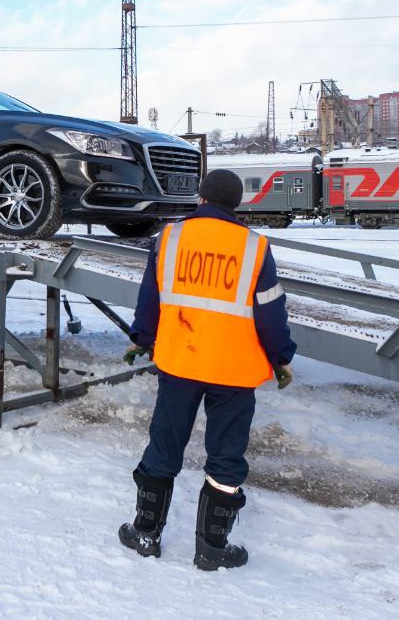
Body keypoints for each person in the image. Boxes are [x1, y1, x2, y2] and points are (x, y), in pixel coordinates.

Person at [118, 168, 296, 570]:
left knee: (164, 445)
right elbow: (270, 312)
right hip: (235, 370)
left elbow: (152, 296)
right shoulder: (255, 246)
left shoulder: (169, 237)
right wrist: (281, 356)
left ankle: (145, 532)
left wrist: (142, 338)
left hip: (181, 361)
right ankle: (212, 549)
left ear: (200, 198)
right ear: (237, 204)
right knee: (226, 456)